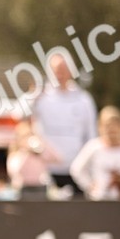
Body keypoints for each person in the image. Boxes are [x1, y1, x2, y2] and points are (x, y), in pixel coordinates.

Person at [32, 52, 97, 192]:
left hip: (77, 171)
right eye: (56, 70)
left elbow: (91, 135)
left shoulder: (84, 100)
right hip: (47, 171)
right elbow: (24, 123)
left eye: (63, 69)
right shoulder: (40, 98)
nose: (59, 74)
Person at [69, 106, 120, 199]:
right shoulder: (94, 146)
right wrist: (89, 185)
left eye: (115, 125)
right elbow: (76, 169)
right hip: (99, 199)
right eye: (107, 125)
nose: (111, 130)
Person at [5, 118, 61, 196]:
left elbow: (57, 159)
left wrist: (42, 145)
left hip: (40, 188)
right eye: (25, 136)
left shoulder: (39, 152)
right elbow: (16, 171)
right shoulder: (16, 154)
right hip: (23, 189)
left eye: (30, 134)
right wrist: (26, 152)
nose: (28, 138)